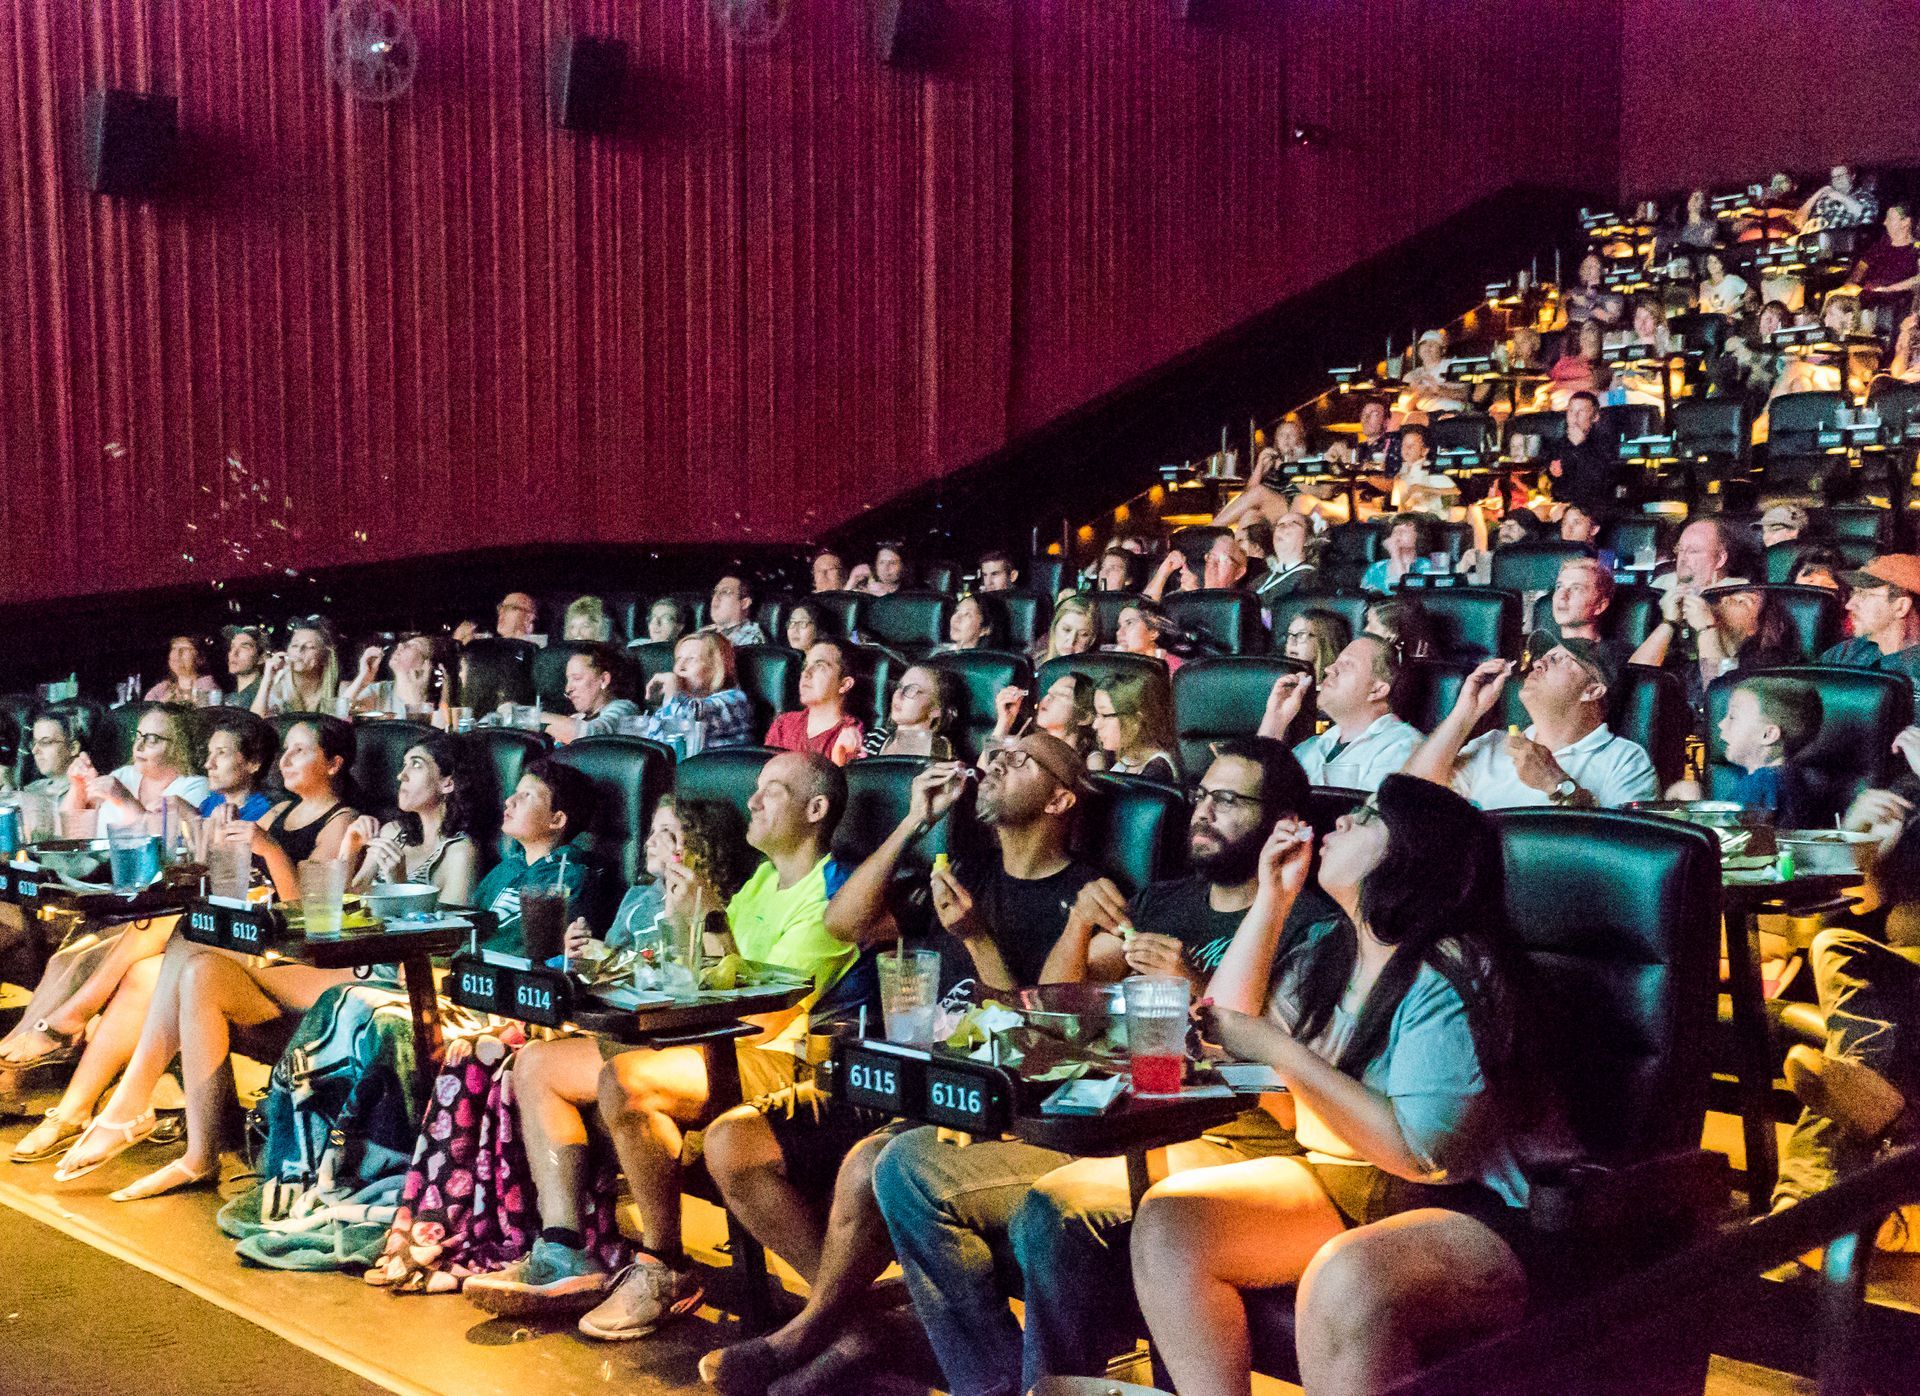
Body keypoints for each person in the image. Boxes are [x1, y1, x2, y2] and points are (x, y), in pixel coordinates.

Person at [863, 774, 1447, 1396]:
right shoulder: (1169, 900)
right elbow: (1049, 1011)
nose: (1204, 809)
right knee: (904, 1166)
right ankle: (999, 1386)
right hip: (1110, 1100)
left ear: (1278, 819)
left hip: (1224, 1129)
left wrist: (1198, 978)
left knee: (1056, 1210)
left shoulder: (1316, 927)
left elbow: (1240, 1045)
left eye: (1229, 799)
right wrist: (1078, 932)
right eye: (1203, 794)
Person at [693, 736, 1101, 1391]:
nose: (994, 762)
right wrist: (916, 820)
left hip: (980, 1103)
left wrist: (976, 941)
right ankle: (855, 1327)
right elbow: (844, 921)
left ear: (1060, 797)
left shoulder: (1085, 898)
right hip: (906, 1076)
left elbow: (1041, 1040)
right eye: (995, 754)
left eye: (1020, 761)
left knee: (866, 1167)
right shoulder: (960, 871)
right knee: (733, 1141)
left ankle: (817, 1331)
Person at [1132, 775, 1558, 1396]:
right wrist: (1273, 900)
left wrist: (1279, 1050)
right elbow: (1227, 1037)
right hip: (1342, 1184)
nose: (1337, 824)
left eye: (1364, 817)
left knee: (1344, 1276)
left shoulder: (1450, 969)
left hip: (1469, 1212)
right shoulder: (1326, 949)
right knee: (1170, 1222)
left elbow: (1424, 1155)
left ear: (1410, 851)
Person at [465, 753, 854, 1336]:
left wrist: (709, 920)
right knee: (539, 1065)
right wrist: (669, 932)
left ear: (816, 809)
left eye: (772, 790)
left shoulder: (828, 895)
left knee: (626, 1083)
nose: (753, 800)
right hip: (697, 1044)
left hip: (775, 1061)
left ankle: (663, 1265)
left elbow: (762, 1017)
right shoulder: (761, 882)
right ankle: (564, 1247)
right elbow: (698, 977)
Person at [46, 718, 365, 1198]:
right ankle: (200, 1155)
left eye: (300, 751)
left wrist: (269, 850)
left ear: (334, 763)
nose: (286, 760)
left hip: (316, 968)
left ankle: (126, 1101)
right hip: (263, 959)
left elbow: (310, 917)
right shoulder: (277, 814)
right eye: (287, 751)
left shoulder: (343, 821)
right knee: (190, 972)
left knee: (190, 936)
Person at [0, 714, 279, 1107]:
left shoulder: (248, 807)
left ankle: (61, 1046)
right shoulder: (211, 801)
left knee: (124, 952)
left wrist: (181, 818)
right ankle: (28, 1044)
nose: (209, 762)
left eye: (222, 754)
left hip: (197, 921)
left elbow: (185, 860)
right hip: (142, 902)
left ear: (252, 763)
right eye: (210, 752)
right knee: (76, 948)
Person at [1404, 639, 1658, 809]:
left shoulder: (1625, 760)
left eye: (1559, 659)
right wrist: (1466, 711)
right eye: (1543, 657)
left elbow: (1621, 854)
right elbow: (1407, 797)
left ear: (1592, 690)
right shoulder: (1492, 743)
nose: (1537, 662)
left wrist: (1556, 783)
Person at [469, 759, 598, 956]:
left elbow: (547, 951)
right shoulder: (506, 868)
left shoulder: (570, 876)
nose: (509, 800)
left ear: (556, 819)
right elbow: (468, 925)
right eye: (515, 792)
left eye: (526, 795)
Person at [1263, 636, 1422, 792]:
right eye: (1335, 662)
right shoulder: (1311, 747)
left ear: (1377, 690)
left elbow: (1370, 815)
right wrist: (1276, 720)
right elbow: (1254, 792)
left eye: (1347, 664)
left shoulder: (1403, 747)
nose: (1329, 669)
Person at [1667, 676, 1826, 825]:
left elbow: (1727, 841)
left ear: (1768, 734)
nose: (1721, 724)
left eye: (1733, 717)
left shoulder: (1759, 784)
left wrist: (1693, 807)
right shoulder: (1794, 779)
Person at [343, 733, 482, 902]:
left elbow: (453, 927)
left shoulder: (459, 852)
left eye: (416, 764)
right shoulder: (393, 832)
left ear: (448, 783)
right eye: (404, 765)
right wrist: (349, 849)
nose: (401, 775)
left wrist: (400, 885)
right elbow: (350, 901)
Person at [61, 703, 210, 838]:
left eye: (152, 740)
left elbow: (164, 845)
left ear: (179, 748)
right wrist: (78, 787)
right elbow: (71, 835)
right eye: (138, 736)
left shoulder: (196, 787)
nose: (138, 746)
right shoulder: (123, 775)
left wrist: (125, 799)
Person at [1818, 555, 1920, 717]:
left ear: (1901, 607)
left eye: (1864, 594)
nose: (1849, 605)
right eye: (1854, 593)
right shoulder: (1841, 655)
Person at [640, 631, 757, 749]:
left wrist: (672, 692)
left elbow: (681, 727)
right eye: (679, 659)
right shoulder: (676, 703)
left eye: (691, 659)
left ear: (716, 667)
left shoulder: (735, 700)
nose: (680, 667)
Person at [766, 641, 865, 763]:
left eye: (819, 667)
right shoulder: (783, 724)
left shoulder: (851, 737)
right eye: (805, 666)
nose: (806, 674)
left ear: (844, 684)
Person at [538, 643, 640, 745]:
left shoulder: (625, 709)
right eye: (568, 680)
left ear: (603, 680)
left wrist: (532, 717)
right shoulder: (576, 718)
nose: (568, 689)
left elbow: (593, 736)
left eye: (577, 678)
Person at [1091, 672, 1179, 784]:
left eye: (1105, 715)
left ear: (1135, 720)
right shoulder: (1126, 759)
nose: (1095, 725)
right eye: (1096, 715)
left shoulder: (1158, 770)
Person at [989, 672, 1095, 759]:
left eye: (1062, 694)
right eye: (1049, 692)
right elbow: (983, 773)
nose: (1048, 698)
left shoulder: (1091, 760)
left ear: (1085, 717)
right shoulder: (1026, 745)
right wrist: (1004, 721)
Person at [1547, 391, 1621, 514]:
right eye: (1570, 411)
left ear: (1595, 416)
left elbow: (1597, 482)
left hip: (1592, 507)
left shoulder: (1606, 444)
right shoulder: (1559, 443)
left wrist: (1580, 447)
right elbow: (1555, 480)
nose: (1574, 417)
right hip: (1560, 504)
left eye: (1581, 411)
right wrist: (1552, 471)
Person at [864, 664, 959, 759]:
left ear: (936, 710)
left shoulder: (942, 754)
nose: (898, 694)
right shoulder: (874, 739)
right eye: (899, 686)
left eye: (912, 689)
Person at [343, 633, 448, 718]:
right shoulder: (379, 690)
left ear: (427, 664)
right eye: (403, 643)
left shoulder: (433, 699)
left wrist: (415, 700)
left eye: (413, 646)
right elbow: (341, 715)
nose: (400, 646)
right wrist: (363, 678)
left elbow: (433, 734)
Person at [250, 620, 341, 717]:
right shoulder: (279, 689)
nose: (300, 650)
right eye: (295, 645)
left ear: (324, 657)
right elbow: (255, 722)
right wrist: (267, 679)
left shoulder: (338, 689)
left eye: (310, 647)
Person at [1655, 518, 1741, 595]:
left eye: (1693, 551)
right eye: (1680, 549)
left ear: (1720, 559)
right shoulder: (1662, 583)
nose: (1683, 558)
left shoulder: (1737, 593)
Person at [1360, 514, 1444, 593]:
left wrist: (1395, 554)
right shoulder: (1376, 568)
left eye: (1405, 531)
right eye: (1395, 531)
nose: (1398, 534)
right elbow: (1361, 601)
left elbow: (1407, 594)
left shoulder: (1430, 566)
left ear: (1419, 536)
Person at [1546, 320, 1610, 409]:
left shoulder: (1605, 366)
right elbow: (1550, 383)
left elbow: (1593, 382)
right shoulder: (1565, 362)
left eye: (1595, 338)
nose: (1591, 341)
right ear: (1580, 340)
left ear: (1601, 341)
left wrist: (1561, 384)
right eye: (1586, 338)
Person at [1256, 513, 1319, 602]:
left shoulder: (1310, 579)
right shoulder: (1261, 579)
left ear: (1308, 539)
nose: (1283, 528)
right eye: (1279, 525)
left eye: (1293, 524)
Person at [1797, 165, 1878, 233]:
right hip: (1821, 244)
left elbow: (1868, 218)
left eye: (1841, 175)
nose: (1838, 179)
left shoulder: (1864, 196)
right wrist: (1819, 193)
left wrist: (1839, 196)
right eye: (1834, 177)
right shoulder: (1824, 200)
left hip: (1850, 243)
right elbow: (1799, 222)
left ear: (1852, 176)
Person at [1282, 609, 1351, 685]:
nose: (1292, 642)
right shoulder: (1278, 678)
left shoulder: (1332, 686)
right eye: (1290, 635)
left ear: (1323, 642)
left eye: (1301, 635)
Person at [1112, 600, 1184, 672]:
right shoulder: (1109, 663)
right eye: (1119, 626)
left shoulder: (1173, 669)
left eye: (1129, 623)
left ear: (1153, 632)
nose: (1119, 632)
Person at [144, 635, 218, 704]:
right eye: (174, 648)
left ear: (200, 658)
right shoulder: (162, 689)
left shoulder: (207, 685)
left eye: (185, 649)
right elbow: (145, 711)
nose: (177, 653)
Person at [1563, 251, 1624, 327]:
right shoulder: (1576, 292)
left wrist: (1588, 304)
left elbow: (1611, 318)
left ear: (1601, 269)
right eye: (1587, 266)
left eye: (1595, 265)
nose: (1590, 269)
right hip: (1576, 333)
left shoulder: (1611, 293)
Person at [1032, 595, 1096, 665]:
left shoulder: (1101, 670)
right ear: (1054, 628)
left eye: (1083, 634)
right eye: (1066, 630)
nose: (1072, 641)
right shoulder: (1034, 665)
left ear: (1092, 639)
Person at [455, 592, 539, 644]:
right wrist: (459, 643)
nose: (501, 612)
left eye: (509, 607)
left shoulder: (534, 655)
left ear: (528, 618)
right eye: (501, 607)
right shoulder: (490, 647)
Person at [709, 575, 766, 647]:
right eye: (715, 592)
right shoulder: (705, 632)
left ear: (744, 603)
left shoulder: (751, 640)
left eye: (725, 592)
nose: (716, 597)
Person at [224, 625, 268, 709]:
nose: (234, 653)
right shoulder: (229, 697)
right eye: (232, 646)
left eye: (244, 647)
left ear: (261, 658)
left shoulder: (266, 695)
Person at [1697, 248, 1750, 317]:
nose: (1712, 265)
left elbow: (1751, 294)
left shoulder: (1732, 280)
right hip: (1713, 323)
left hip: (1732, 323)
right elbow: (1704, 308)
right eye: (1709, 262)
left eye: (1715, 262)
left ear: (1722, 264)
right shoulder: (1704, 285)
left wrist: (1736, 306)